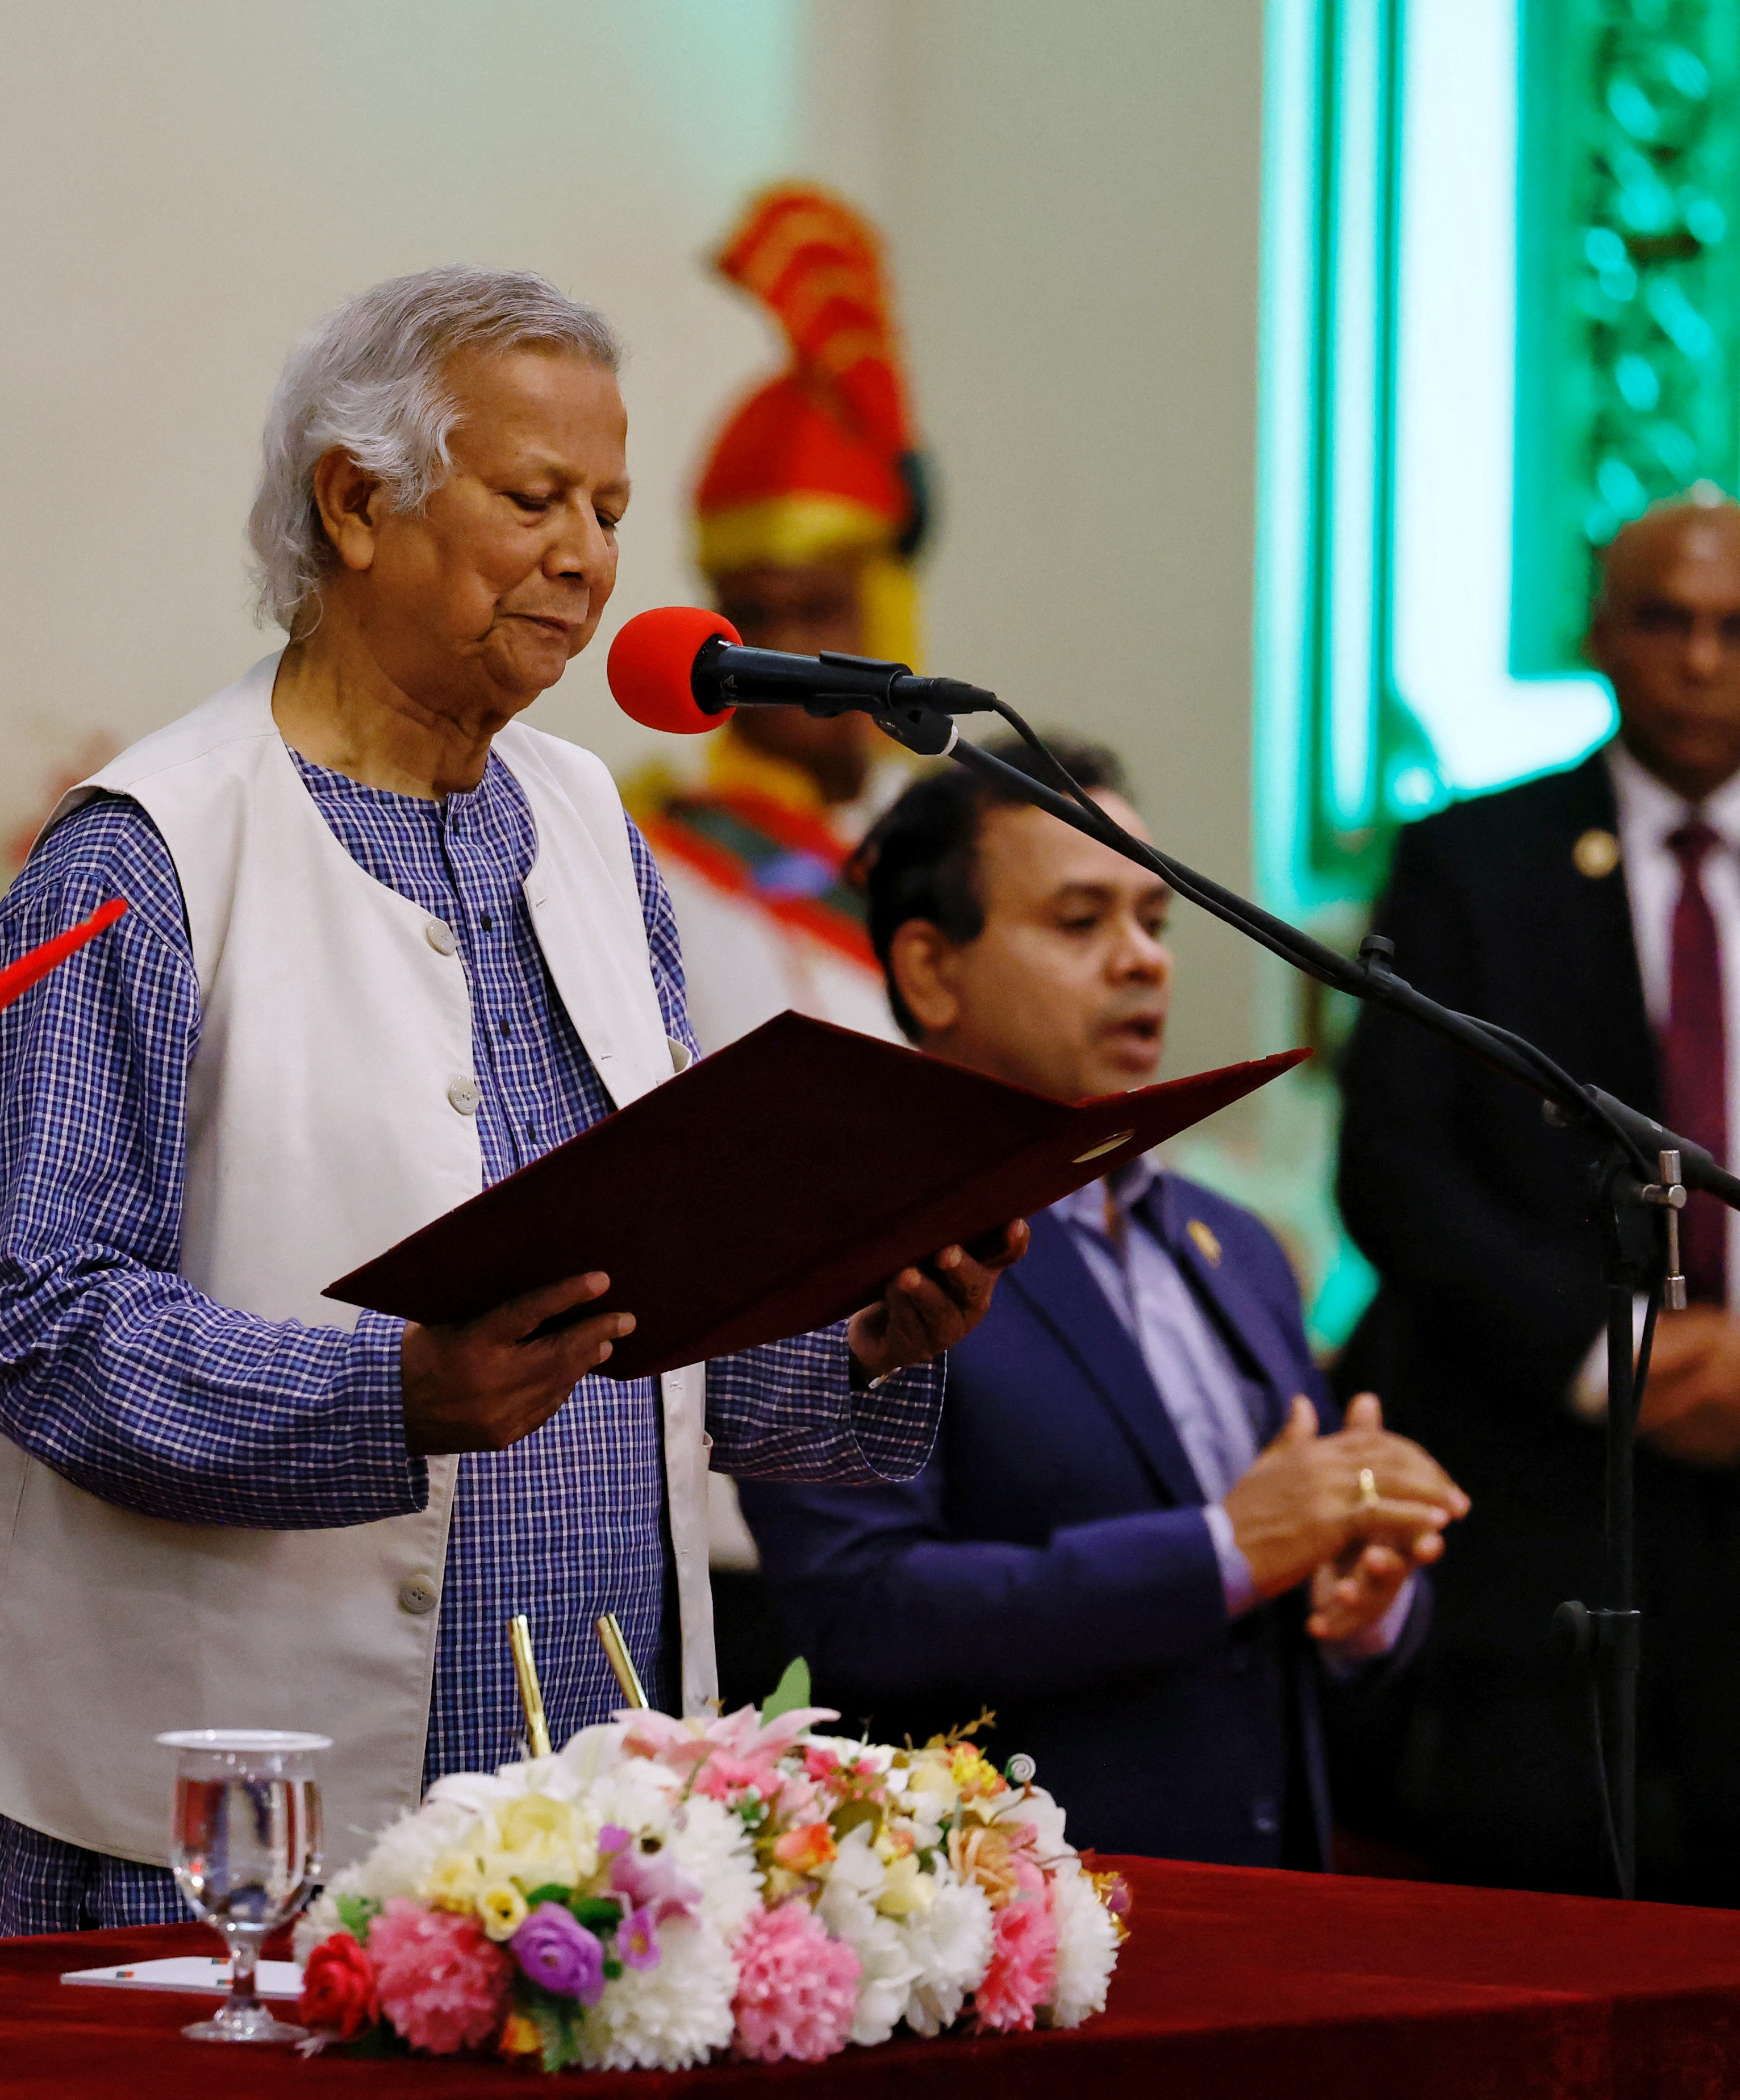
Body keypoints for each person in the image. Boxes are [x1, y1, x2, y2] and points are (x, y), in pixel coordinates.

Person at [0, 265, 1025, 1937]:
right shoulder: (142, 858)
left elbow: (636, 1292)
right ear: (353, 505)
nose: (585, 558)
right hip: (210, 1829)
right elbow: (30, 1320)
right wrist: (394, 1396)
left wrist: (857, 1334)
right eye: (532, 500)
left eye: (606, 507)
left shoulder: (583, 819)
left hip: (582, 1813)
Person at [740, 741, 1462, 1867]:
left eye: (1152, 923)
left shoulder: (1233, 1247)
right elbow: (860, 1610)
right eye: (1079, 923)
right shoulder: (843, 1243)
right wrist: (1225, 1547)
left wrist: (1354, 1596)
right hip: (1015, 1917)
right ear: (929, 968)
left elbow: (1286, 1575)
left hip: (1275, 1909)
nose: (1140, 962)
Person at [1336, 494, 1740, 1897]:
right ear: (1598, 635)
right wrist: (1611, 1350)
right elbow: (1391, 1168)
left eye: (1732, 629)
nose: (1698, 660)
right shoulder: (1472, 861)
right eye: (1664, 622)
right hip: (1539, 1505)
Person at [628, 184, 924, 1058]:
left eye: (820, 607)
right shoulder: (659, 857)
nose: (787, 650)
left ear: (886, 607)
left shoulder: (962, 837)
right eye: (752, 614)